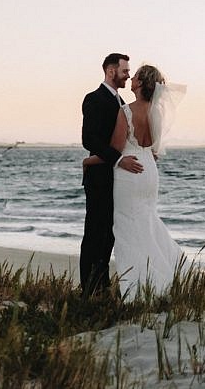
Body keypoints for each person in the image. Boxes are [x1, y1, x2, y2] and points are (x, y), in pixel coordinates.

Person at [83, 63, 186, 297]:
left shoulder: (126, 111)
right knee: (148, 223)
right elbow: (155, 151)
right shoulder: (156, 112)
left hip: (129, 173)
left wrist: (88, 161)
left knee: (128, 229)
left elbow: (116, 149)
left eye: (135, 75)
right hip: (149, 171)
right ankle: (167, 278)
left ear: (140, 83)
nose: (131, 78)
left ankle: (139, 289)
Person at [80, 52, 143, 296]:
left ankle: (102, 287)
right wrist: (118, 160)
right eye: (125, 71)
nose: (128, 75)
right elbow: (89, 139)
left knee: (108, 235)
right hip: (99, 177)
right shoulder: (94, 99)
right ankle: (87, 290)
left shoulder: (121, 102)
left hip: (116, 178)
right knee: (95, 233)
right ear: (110, 71)